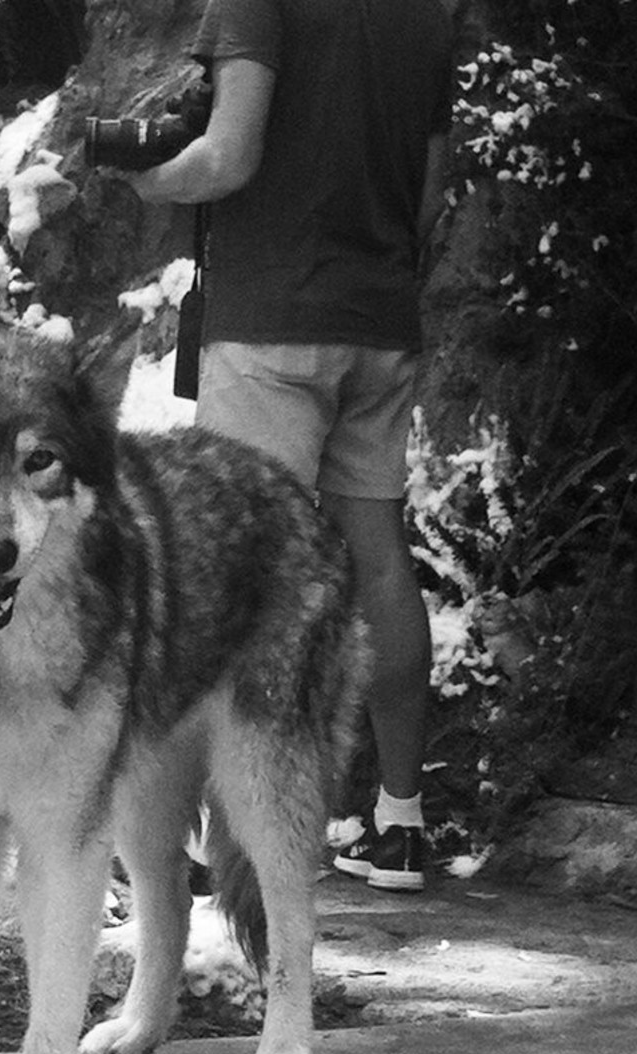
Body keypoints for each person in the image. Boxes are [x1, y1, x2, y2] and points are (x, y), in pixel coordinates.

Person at [124, 0, 454, 892]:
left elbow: (228, 156)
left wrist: (151, 181)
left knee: (230, 575)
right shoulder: (425, 14)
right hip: (378, 322)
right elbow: (430, 194)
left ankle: (218, 840)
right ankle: (400, 823)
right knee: (377, 557)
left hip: (268, 321)